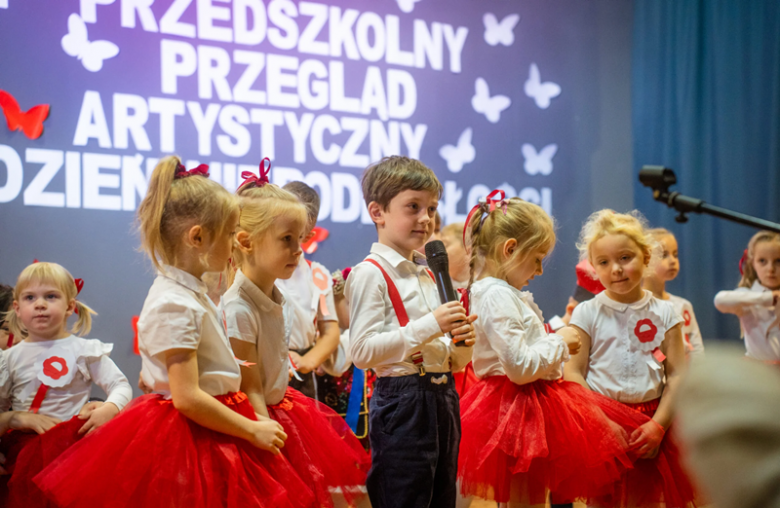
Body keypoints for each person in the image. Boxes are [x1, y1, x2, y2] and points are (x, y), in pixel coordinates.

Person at [35, 157, 314, 508]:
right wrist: (252, 429)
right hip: (194, 433)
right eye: (229, 235)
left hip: (214, 422)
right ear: (198, 237)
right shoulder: (175, 302)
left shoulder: (192, 292)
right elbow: (187, 397)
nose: (234, 245)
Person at [458, 193, 645, 507]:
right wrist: (561, 341)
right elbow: (518, 368)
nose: (541, 270)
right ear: (510, 249)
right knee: (524, 500)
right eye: (537, 258)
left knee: (530, 498)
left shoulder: (502, 293)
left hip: (527, 403)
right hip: (517, 406)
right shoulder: (496, 295)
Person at [223, 169, 369, 507]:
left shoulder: (281, 295)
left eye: (300, 239)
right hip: (257, 417)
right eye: (287, 239)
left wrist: (306, 361)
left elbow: (326, 332)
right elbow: (250, 386)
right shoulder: (238, 307)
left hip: (284, 402)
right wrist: (264, 432)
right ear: (246, 241)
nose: (298, 249)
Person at [347, 156, 476, 508]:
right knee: (405, 497)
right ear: (378, 212)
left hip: (442, 396)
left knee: (442, 497)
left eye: (431, 208)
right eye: (413, 207)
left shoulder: (429, 271)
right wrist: (433, 324)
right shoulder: (370, 273)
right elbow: (361, 351)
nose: (426, 218)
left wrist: (461, 346)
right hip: (402, 401)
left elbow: (449, 355)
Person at [565, 209, 702, 508]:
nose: (615, 269)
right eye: (604, 262)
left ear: (646, 256)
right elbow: (573, 373)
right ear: (593, 268)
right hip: (602, 424)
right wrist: (600, 422)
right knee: (602, 501)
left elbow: (677, 373)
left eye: (625, 258)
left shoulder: (667, 314)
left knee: (648, 500)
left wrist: (658, 427)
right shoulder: (587, 312)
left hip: (652, 423)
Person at [0, 262, 132, 506]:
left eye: (51, 296)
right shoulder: (9, 358)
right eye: (30, 297)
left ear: (70, 306)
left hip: (72, 451)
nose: (40, 304)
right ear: (17, 308)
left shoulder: (84, 350)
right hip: (21, 454)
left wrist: (109, 409)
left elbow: (120, 385)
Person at [714, 230, 780, 362]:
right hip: (758, 375)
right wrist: (769, 298)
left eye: (778, 261)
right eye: (762, 261)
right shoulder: (747, 296)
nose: (771, 269)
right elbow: (719, 300)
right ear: (752, 263)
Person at [643, 228, 704, 356]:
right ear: (645, 261)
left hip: (688, 374)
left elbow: (697, 348)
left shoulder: (683, 305)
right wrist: (670, 371)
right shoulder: (638, 306)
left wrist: (697, 372)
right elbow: (646, 349)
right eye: (664, 255)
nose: (672, 260)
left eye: (675, 254)